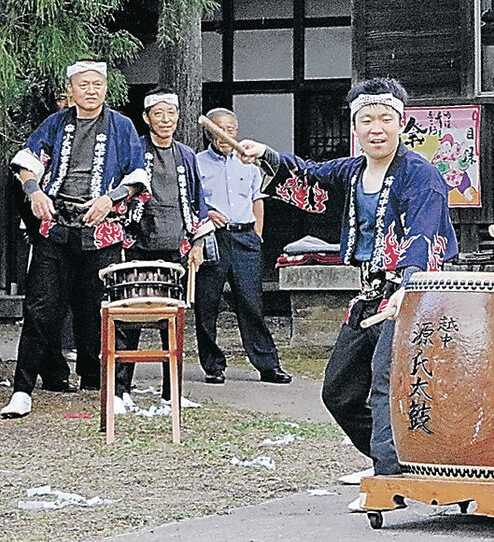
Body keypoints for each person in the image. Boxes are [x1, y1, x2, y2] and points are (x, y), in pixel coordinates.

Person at [236, 77, 458, 507]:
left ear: (401, 123)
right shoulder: (352, 171)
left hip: (414, 295)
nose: (377, 128)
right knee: (338, 390)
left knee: (385, 382)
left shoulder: (421, 175)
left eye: (386, 119)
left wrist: (407, 290)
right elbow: (310, 177)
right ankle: (389, 460)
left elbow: (424, 237)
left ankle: (388, 483)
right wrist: (265, 155)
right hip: (370, 295)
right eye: (367, 120)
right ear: (354, 127)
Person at [2, 60, 149, 419]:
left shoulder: (121, 125)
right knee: (40, 308)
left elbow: (138, 176)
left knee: (105, 312)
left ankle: (113, 387)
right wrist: (35, 191)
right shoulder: (55, 123)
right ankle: (22, 390)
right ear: (71, 90)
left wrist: (110, 198)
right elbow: (26, 163)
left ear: (105, 87)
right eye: (84, 84)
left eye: (97, 83)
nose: (91, 90)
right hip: (56, 228)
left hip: (102, 228)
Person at [111, 88, 213, 414]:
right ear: (146, 118)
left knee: (174, 321)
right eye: (159, 114)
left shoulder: (186, 155)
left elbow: (199, 204)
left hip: (176, 249)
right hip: (138, 246)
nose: (166, 120)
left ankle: (171, 392)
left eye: (171, 113)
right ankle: (119, 390)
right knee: (130, 319)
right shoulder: (135, 150)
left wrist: (198, 243)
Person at [195, 108, 291, 385]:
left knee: (251, 302)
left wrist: (257, 236)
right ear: (209, 131)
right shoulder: (197, 162)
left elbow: (256, 199)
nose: (225, 134)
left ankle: (267, 365)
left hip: (245, 237)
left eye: (231, 129)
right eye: (219, 129)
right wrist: (207, 213)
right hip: (213, 236)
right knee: (207, 303)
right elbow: (192, 200)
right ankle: (213, 366)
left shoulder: (248, 162)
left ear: (236, 131)